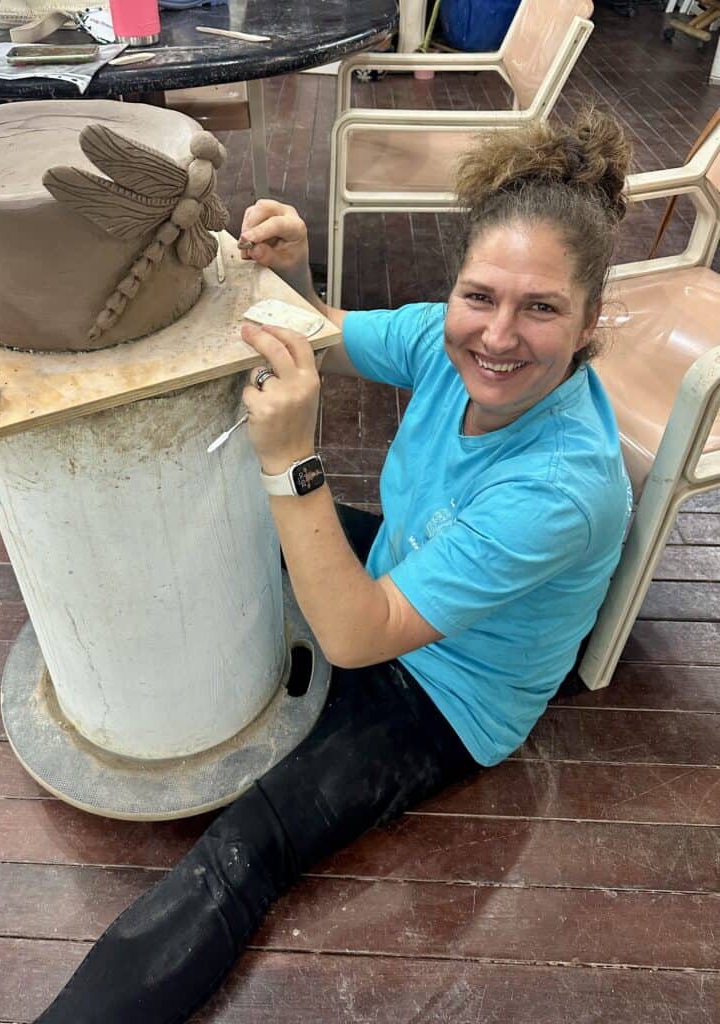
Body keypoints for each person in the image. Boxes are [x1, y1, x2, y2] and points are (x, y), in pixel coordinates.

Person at [33, 107, 633, 1024]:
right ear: (456, 290)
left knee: (248, 849)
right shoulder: (448, 340)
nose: (498, 336)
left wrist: (292, 462)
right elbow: (325, 331)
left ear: (590, 323)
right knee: (234, 530)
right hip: (395, 572)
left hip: (448, 694)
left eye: (541, 308)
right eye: (480, 296)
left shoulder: (564, 487)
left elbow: (357, 635)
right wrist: (296, 271)